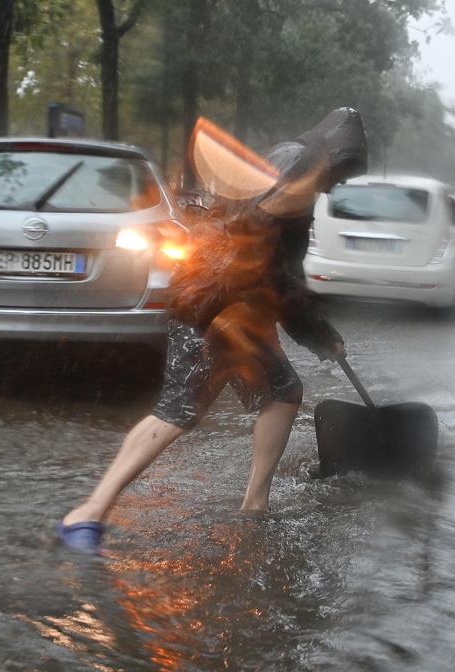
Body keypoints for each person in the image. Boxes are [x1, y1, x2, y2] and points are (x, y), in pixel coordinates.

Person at [59, 108, 368, 552]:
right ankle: (87, 514)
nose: (337, 184)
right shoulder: (300, 171)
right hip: (217, 305)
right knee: (177, 410)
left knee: (281, 391)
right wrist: (316, 333)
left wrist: (314, 329)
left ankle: (254, 506)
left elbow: (272, 264)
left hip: (230, 303)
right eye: (342, 173)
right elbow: (270, 266)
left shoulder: (291, 160)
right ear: (336, 156)